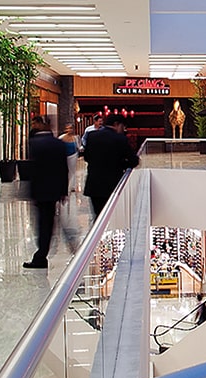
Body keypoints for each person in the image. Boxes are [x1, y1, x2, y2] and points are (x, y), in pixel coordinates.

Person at [23, 118, 74, 270]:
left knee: (42, 223)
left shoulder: (34, 144)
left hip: (40, 190)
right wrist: (63, 190)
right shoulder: (59, 144)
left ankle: (41, 256)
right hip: (54, 190)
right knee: (49, 221)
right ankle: (42, 254)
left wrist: (29, 190)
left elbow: (32, 169)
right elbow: (64, 169)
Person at [82, 114, 135, 219]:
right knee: (111, 217)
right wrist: (121, 164)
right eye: (122, 127)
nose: (123, 130)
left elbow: (86, 157)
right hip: (112, 185)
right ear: (116, 124)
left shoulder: (92, 136)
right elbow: (133, 161)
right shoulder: (120, 139)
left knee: (98, 217)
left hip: (94, 184)